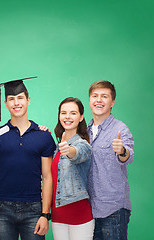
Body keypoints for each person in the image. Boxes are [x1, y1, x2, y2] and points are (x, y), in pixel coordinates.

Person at [0, 77, 56, 240]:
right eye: (11, 99)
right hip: (2, 208)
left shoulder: (43, 136)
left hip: (34, 209)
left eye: (20, 98)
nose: (16, 103)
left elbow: (48, 177)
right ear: (6, 103)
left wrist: (45, 214)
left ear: (28, 100)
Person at [87, 80, 134, 240]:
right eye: (95, 96)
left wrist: (122, 151)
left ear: (112, 102)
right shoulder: (84, 131)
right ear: (89, 100)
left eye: (104, 96)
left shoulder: (120, 129)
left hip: (113, 209)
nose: (99, 100)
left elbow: (128, 155)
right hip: (88, 210)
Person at [51, 97, 94, 240]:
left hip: (79, 215)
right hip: (58, 216)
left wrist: (68, 150)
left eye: (73, 113)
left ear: (81, 117)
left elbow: (77, 153)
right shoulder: (56, 149)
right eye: (63, 113)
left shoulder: (83, 144)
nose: (67, 117)